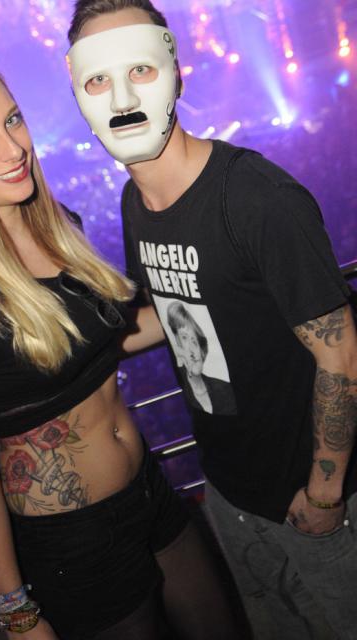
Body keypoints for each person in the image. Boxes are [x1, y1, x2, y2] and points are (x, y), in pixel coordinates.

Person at [0, 58, 237, 639]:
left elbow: (108, 338)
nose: (12, 149)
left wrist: (227, 293)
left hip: (149, 490)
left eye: (12, 120)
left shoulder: (58, 225)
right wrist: (17, 612)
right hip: (72, 544)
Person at [67, 1, 357, 638]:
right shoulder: (136, 200)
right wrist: (65, 353)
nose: (122, 98)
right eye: (98, 80)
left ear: (176, 71)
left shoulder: (256, 197)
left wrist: (325, 492)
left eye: (140, 70)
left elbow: (340, 353)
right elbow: (176, 310)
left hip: (312, 500)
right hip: (228, 493)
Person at [165, 301, 235, 415]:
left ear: (202, 350)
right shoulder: (176, 379)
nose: (192, 349)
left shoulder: (223, 388)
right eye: (184, 338)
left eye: (194, 341)